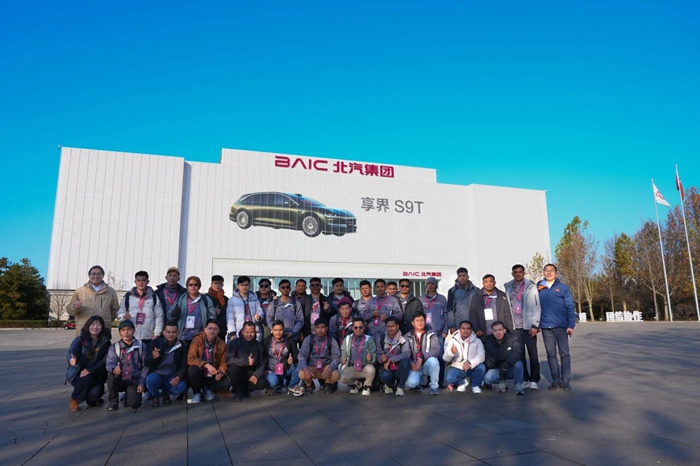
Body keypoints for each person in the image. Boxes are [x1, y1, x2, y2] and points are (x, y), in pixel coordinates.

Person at [537, 263, 576, 391]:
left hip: (561, 326)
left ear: (556, 273)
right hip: (546, 326)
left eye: (551, 270)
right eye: (546, 270)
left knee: (564, 354)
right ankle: (555, 381)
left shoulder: (563, 288)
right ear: (543, 272)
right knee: (550, 354)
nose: (549, 273)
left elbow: (570, 306)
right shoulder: (539, 287)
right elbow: (533, 306)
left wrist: (571, 325)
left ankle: (566, 381)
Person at [504, 264, 542, 390]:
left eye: (520, 272)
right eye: (515, 272)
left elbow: (537, 307)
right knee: (519, 355)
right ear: (512, 274)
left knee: (533, 354)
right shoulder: (508, 287)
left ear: (524, 273)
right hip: (516, 327)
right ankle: (524, 379)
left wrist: (535, 325)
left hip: (529, 326)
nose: (518, 274)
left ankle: (534, 380)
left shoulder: (531, 287)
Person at [66, 315, 111, 411]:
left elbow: (105, 360)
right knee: (87, 378)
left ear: (102, 327)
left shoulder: (106, 342)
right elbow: (72, 351)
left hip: (95, 372)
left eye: (98, 325)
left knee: (97, 392)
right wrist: (72, 359)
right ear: (88, 326)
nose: (95, 327)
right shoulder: (80, 339)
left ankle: (90, 399)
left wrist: (90, 370)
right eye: (92, 325)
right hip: (78, 372)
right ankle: (74, 399)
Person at [106, 320, 148, 410]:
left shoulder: (141, 346)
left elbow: (145, 366)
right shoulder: (114, 347)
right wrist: (114, 369)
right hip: (120, 378)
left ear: (133, 330)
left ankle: (128, 397)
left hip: (134, 379)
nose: (126, 332)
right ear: (119, 332)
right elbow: (110, 363)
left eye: (129, 329)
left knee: (135, 404)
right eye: (123, 330)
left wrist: (141, 383)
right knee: (111, 376)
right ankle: (113, 401)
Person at [292, 317, 341, 396]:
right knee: (301, 373)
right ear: (314, 328)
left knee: (335, 375)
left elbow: (336, 357)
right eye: (318, 327)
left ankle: (327, 384)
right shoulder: (309, 339)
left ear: (327, 328)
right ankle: (309, 385)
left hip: (325, 367)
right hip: (312, 367)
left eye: (322, 327)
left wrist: (330, 369)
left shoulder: (332, 340)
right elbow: (302, 355)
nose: (320, 330)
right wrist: (305, 369)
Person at [66, 265, 119, 335]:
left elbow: (115, 310)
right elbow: (70, 310)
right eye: (93, 274)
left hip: (103, 330)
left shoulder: (111, 292)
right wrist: (75, 307)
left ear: (103, 276)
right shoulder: (79, 291)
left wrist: (106, 321)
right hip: (84, 330)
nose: (96, 276)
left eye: (99, 274)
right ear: (89, 276)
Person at [144, 322, 188, 407]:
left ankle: (165, 393)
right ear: (164, 332)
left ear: (178, 333)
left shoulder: (181, 345)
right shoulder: (155, 343)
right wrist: (153, 357)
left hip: (171, 375)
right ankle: (155, 395)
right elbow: (146, 362)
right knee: (151, 379)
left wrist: (178, 377)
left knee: (182, 386)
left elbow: (183, 365)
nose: (171, 334)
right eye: (168, 332)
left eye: (174, 332)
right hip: (157, 374)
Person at [117, 271, 164, 348]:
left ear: (147, 282)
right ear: (135, 282)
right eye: (138, 280)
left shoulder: (154, 297)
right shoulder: (128, 297)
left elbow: (159, 316)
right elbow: (119, 313)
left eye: (143, 280)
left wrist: (156, 334)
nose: (141, 283)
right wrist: (123, 316)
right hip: (132, 336)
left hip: (148, 337)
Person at [187, 319, 230, 403]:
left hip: (212, 372)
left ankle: (207, 389)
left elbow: (223, 363)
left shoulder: (221, 343)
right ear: (205, 329)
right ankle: (197, 392)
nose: (212, 331)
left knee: (225, 383)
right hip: (201, 369)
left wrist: (220, 372)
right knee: (193, 371)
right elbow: (191, 358)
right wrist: (206, 365)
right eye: (210, 328)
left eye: (215, 329)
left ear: (218, 331)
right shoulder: (197, 340)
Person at [170, 276, 216, 349]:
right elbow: (170, 315)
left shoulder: (205, 299)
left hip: (200, 336)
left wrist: (208, 329)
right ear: (187, 287)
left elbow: (212, 315)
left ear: (199, 286)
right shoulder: (180, 299)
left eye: (196, 285)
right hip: (183, 336)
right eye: (190, 285)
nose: (193, 287)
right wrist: (175, 313)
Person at [226, 322, 266, 401]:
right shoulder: (234, 343)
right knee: (233, 369)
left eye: (252, 332)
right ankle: (237, 391)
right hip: (239, 371)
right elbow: (228, 359)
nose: (249, 334)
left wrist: (256, 375)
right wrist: (246, 361)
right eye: (247, 332)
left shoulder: (259, 345)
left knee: (262, 383)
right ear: (242, 332)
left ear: (255, 332)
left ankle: (246, 389)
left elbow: (263, 362)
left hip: (251, 373)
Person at [443, 320, 486, 393]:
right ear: (459, 330)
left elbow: (481, 356)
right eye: (463, 328)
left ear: (471, 330)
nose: (465, 331)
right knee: (450, 378)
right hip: (458, 367)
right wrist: (451, 352)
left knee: (482, 368)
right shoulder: (453, 341)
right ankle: (462, 383)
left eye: (468, 328)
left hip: (472, 367)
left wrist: (470, 363)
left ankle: (475, 385)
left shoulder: (477, 341)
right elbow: (445, 358)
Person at [483, 321, 525, 395]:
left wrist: (507, 363)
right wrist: (493, 360)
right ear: (492, 332)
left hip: (511, 368)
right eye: (495, 330)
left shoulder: (512, 339)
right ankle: (501, 381)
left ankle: (518, 384)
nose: (498, 333)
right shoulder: (489, 343)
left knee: (518, 364)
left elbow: (518, 353)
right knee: (487, 379)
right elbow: (488, 362)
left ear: (504, 330)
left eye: (500, 330)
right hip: (498, 368)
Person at [404, 312, 440, 395]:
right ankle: (418, 383)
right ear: (412, 323)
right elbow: (405, 353)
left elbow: (436, 350)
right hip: (415, 365)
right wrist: (411, 363)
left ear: (425, 321)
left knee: (434, 361)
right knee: (411, 384)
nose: (420, 322)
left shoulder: (431, 334)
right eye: (417, 321)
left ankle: (434, 386)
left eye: (422, 320)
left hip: (426, 364)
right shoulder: (407, 336)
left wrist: (422, 357)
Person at [421, 276, 448, 386]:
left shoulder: (442, 299)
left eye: (433, 284)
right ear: (425, 286)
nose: (430, 286)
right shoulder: (421, 299)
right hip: (425, 333)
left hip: (438, 333)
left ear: (436, 286)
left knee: (440, 357)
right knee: (428, 356)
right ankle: (429, 380)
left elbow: (446, 315)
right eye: (428, 284)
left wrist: (445, 330)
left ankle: (440, 380)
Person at [470, 274, 514, 341]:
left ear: (494, 283)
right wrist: (476, 329)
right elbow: (473, 314)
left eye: (491, 281)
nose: (488, 284)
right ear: (483, 283)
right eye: (486, 282)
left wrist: (509, 330)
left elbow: (507, 314)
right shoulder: (476, 297)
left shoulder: (502, 296)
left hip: (499, 333)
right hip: (483, 332)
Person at [339, 317, 376, 396]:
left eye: (360, 327)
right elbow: (343, 352)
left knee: (371, 369)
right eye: (356, 327)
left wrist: (371, 358)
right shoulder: (347, 339)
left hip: (364, 367)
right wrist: (343, 357)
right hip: (352, 367)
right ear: (352, 328)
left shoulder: (369, 339)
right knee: (341, 377)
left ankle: (367, 386)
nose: (358, 329)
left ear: (364, 327)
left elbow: (374, 354)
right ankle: (357, 384)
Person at [263, 320, 299, 395]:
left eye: (280, 330)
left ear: (283, 330)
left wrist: (292, 359)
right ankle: (277, 384)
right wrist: (265, 369)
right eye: (275, 330)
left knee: (299, 365)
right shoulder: (266, 342)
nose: (278, 332)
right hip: (271, 370)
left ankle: (291, 386)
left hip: (285, 369)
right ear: (272, 330)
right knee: (273, 382)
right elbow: (261, 357)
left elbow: (297, 353)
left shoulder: (288, 340)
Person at [377, 316, 410, 396]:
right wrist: (381, 358)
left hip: (399, 368)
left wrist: (391, 360)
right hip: (387, 368)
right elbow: (377, 355)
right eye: (388, 326)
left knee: (405, 363)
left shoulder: (403, 338)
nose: (390, 329)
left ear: (397, 326)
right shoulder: (381, 339)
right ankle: (390, 386)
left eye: (392, 326)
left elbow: (406, 354)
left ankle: (400, 386)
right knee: (384, 375)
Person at [227, 275, 265, 342]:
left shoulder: (255, 298)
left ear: (249, 286)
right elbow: (230, 318)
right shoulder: (232, 300)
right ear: (238, 286)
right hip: (239, 332)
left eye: (246, 285)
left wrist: (259, 316)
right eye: (242, 285)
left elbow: (260, 311)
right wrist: (232, 332)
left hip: (253, 332)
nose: (244, 287)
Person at [447, 267, 479, 333]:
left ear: (468, 277)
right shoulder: (452, 291)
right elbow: (450, 309)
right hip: (459, 324)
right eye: (460, 276)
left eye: (464, 276)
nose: (462, 278)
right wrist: (452, 325)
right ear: (457, 277)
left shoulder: (476, 290)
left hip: (474, 324)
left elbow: (480, 308)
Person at [207, 275, 229, 340]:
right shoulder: (205, 298)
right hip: (209, 330)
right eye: (215, 283)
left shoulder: (225, 299)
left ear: (223, 285)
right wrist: (213, 312)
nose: (218, 285)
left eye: (220, 283)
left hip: (221, 330)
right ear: (211, 284)